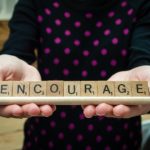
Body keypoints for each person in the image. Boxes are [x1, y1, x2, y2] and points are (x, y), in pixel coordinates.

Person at [0, 0, 150, 149]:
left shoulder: (142, 4)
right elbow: (18, 46)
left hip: (119, 135)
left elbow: (143, 55)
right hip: (47, 131)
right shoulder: (34, 3)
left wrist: (145, 71)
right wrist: (10, 59)